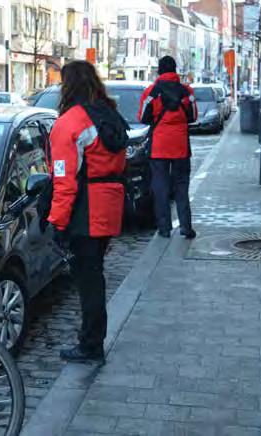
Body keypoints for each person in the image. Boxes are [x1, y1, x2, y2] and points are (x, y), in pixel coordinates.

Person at [45, 60, 128, 364]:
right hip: (109, 205)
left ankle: (91, 344)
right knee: (94, 276)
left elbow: (64, 182)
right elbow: (120, 164)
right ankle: (92, 339)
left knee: (88, 281)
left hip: (84, 210)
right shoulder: (109, 113)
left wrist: (57, 222)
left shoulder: (70, 122)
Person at [138, 56, 198, 239]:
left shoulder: (152, 91)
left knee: (161, 188)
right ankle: (186, 227)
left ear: (159, 70)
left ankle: (164, 229)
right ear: (175, 69)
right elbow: (193, 116)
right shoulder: (186, 91)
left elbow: (142, 117)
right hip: (180, 147)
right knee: (181, 186)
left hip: (159, 148)